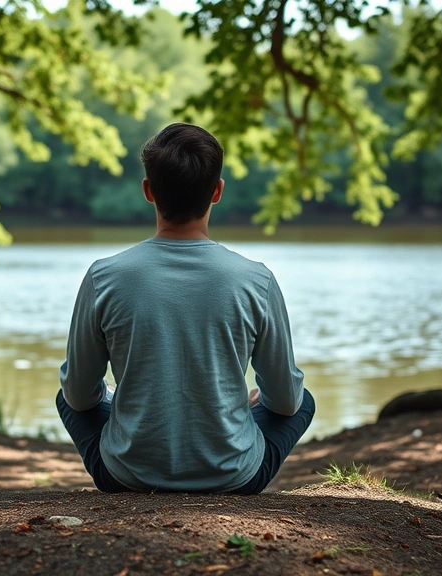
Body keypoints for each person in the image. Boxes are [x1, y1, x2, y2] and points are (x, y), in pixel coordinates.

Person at [56, 123, 314, 494]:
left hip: (126, 477)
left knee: (67, 391)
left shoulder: (104, 277)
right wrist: (248, 401)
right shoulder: (256, 280)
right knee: (304, 399)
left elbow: (79, 396)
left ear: (148, 190)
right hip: (233, 479)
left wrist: (117, 399)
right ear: (217, 191)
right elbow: (287, 403)